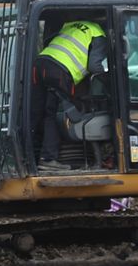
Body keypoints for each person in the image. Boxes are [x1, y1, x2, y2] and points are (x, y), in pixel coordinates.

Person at [35, 18, 108, 164]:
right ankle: (49, 159)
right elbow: (95, 67)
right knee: (59, 113)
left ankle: (35, 155)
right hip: (60, 71)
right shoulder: (99, 34)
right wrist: (108, 80)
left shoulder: (74, 25)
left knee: (40, 112)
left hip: (40, 64)